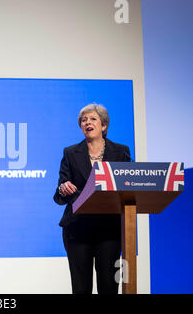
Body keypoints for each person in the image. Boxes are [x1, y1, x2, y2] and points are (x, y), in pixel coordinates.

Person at [53, 103, 131, 294]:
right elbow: (59, 194)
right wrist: (63, 188)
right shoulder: (70, 153)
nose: (87, 122)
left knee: (109, 287)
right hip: (78, 228)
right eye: (83, 120)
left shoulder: (121, 152)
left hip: (109, 229)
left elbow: (128, 185)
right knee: (81, 289)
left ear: (103, 126)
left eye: (92, 119)